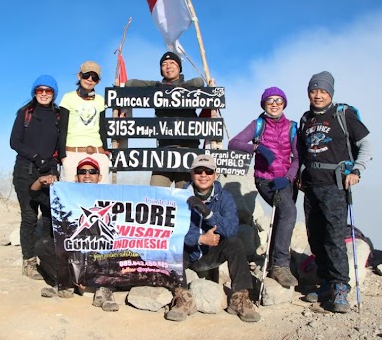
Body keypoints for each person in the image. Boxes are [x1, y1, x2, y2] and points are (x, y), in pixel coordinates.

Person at [297, 71, 372, 313]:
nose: (318, 95)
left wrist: (357, 171)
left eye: (323, 91)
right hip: (311, 185)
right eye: (314, 90)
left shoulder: (343, 114)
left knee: (334, 237)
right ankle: (327, 282)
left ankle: (341, 286)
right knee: (316, 237)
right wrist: (299, 175)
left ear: (331, 93)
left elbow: (366, 144)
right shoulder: (306, 118)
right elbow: (303, 152)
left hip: (335, 184)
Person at [165, 154, 260, 323]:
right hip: (188, 252)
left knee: (235, 243)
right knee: (173, 247)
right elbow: (172, 230)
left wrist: (208, 214)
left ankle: (240, 299)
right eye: (198, 171)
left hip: (212, 252)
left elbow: (231, 230)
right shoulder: (178, 197)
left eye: (208, 171)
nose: (203, 175)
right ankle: (182, 298)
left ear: (215, 174)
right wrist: (200, 239)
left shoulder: (225, 198)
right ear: (191, 173)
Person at [228, 87, 299, 288]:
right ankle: (280, 265)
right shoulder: (258, 124)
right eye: (270, 100)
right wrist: (257, 148)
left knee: (282, 215)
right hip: (265, 180)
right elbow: (233, 143)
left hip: (286, 180)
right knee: (288, 210)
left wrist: (289, 177)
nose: (274, 103)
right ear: (264, 104)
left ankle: (277, 259)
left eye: (278, 100)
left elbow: (297, 157)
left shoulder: (293, 127)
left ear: (284, 104)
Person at [34, 157, 119, 311]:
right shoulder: (64, 195)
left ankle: (103, 291)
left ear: (99, 177)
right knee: (43, 245)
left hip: (99, 253)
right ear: (76, 177)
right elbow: (34, 194)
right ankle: (65, 283)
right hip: (74, 251)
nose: (87, 175)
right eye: (82, 172)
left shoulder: (112, 196)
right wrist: (41, 181)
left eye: (92, 172)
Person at [10, 75, 69, 280]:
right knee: (28, 217)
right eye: (40, 90)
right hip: (25, 171)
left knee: (48, 217)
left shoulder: (60, 115)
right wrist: (36, 158)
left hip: (50, 172)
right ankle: (29, 263)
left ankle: (47, 261)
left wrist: (52, 167)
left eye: (48, 90)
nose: (44, 94)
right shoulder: (25, 113)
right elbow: (15, 142)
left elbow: (60, 144)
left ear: (54, 93)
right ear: (34, 92)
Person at [126, 52, 206, 188]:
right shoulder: (157, 90)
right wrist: (158, 87)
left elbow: (199, 82)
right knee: (155, 194)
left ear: (179, 67)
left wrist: (174, 90)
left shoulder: (189, 87)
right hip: (163, 152)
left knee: (185, 196)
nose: (168, 66)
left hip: (188, 150)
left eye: (172, 63)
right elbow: (129, 84)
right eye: (164, 64)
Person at [59, 61, 110, 184]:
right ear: (79, 75)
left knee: (101, 196)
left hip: (97, 152)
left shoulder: (100, 100)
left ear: (98, 81)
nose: (90, 79)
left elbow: (102, 128)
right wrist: (62, 157)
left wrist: (106, 154)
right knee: (70, 196)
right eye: (86, 75)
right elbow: (62, 128)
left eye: (94, 77)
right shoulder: (68, 97)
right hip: (72, 152)